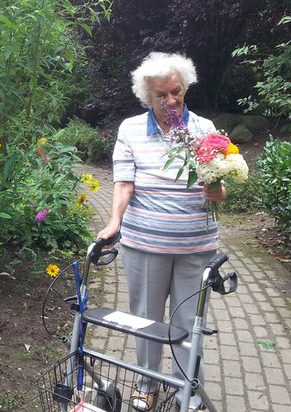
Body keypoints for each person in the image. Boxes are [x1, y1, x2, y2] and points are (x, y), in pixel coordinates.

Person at [95, 52, 226, 411]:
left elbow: (221, 188)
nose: (171, 101)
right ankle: (146, 386)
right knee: (146, 321)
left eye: (177, 91)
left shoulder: (206, 130)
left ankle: (186, 389)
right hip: (145, 244)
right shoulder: (131, 130)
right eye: (161, 95)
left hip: (196, 246)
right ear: (146, 96)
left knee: (189, 324)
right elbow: (123, 184)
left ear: (185, 87)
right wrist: (113, 223)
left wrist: (219, 191)